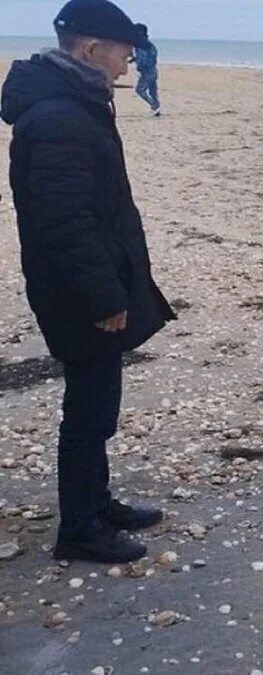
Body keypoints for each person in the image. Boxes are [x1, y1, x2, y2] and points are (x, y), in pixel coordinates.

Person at [1, 0, 176, 563]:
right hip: (77, 289)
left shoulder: (75, 104)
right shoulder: (59, 118)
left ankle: (97, 504)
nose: (129, 64)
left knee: (97, 401)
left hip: (85, 280)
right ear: (91, 49)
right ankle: (79, 529)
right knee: (89, 409)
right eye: (125, 52)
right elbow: (64, 221)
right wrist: (104, 296)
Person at [132, 23, 160, 116]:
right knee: (153, 91)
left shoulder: (141, 45)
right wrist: (134, 59)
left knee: (140, 90)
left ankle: (154, 106)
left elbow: (143, 59)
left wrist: (140, 67)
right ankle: (156, 108)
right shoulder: (149, 44)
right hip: (153, 70)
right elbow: (151, 57)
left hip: (147, 72)